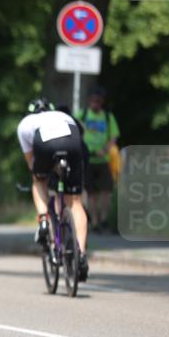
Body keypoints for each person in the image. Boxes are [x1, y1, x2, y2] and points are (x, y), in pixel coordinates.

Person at [16, 98, 89, 281]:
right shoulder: (62, 115)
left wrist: (43, 175)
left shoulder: (26, 123)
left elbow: (31, 164)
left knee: (38, 179)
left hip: (45, 143)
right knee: (75, 201)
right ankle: (81, 255)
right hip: (72, 139)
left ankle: (43, 220)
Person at [73, 86, 120, 233]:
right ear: (89, 101)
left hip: (104, 160)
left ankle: (104, 219)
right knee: (91, 193)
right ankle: (94, 222)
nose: (95, 104)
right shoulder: (81, 115)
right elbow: (74, 132)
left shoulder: (107, 117)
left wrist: (105, 150)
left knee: (106, 191)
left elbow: (113, 137)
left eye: (98, 101)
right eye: (93, 101)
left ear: (102, 102)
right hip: (87, 160)